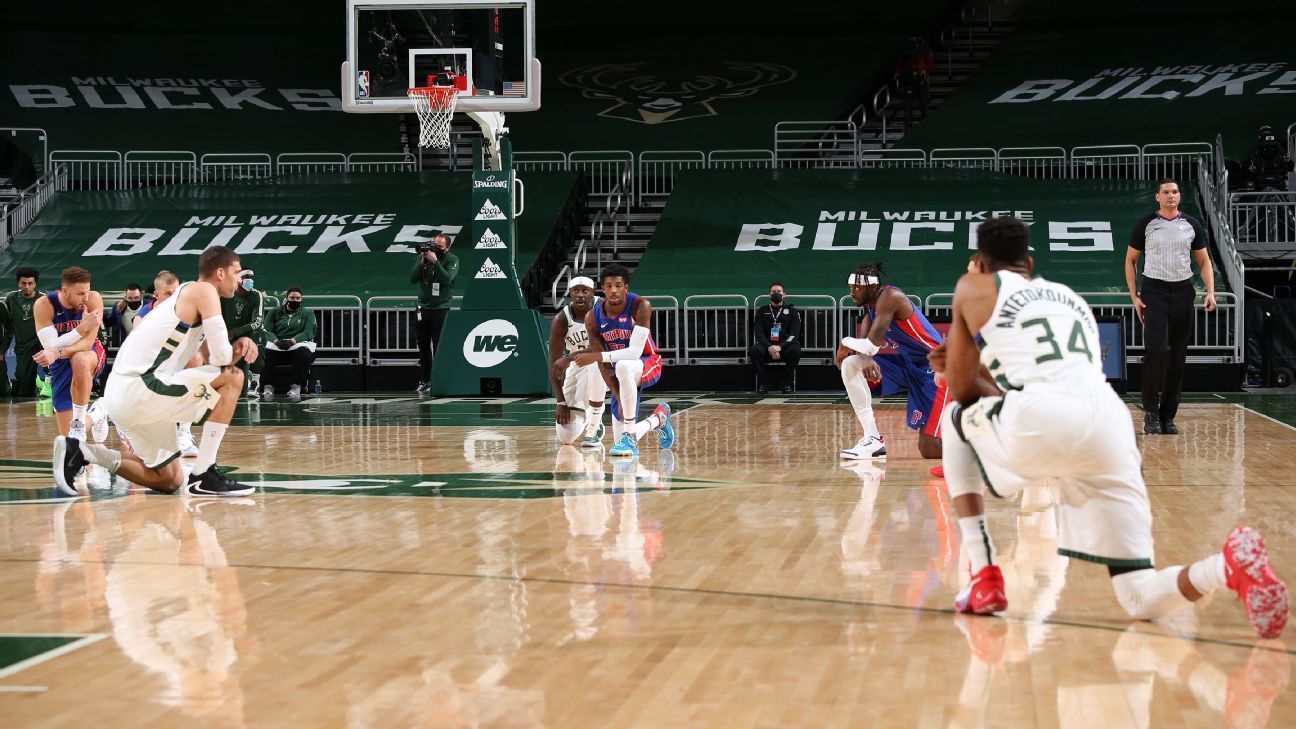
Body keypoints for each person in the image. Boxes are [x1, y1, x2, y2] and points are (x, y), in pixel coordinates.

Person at [931, 216, 1288, 639]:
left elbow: (965, 388)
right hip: (1110, 423)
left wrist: (949, 365)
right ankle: (1224, 567)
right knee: (1138, 596)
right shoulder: (1068, 298)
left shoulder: (974, 285)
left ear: (982, 263)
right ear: (1028, 261)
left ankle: (984, 574)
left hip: (1042, 415)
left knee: (955, 418)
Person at [53, 245, 258, 498]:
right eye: (237, 272)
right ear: (220, 272)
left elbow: (211, 361)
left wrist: (236, 349)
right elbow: (222, 360)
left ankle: (81, 452)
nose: (240, 279)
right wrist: (240, 345)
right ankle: (204, 473)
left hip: (130, 394)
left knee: (170, 480)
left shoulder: (189, 298)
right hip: (140, 385)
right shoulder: (203, 290)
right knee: (234, 377)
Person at [1125, 179, 1216, 435]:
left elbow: (1204, 261)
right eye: (1166, 192)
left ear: (1179, 196)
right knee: (1156, 350)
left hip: (1182, 291)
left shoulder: (1191, 225)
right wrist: (1134, 296)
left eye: (1175, 192)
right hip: (1154, 291)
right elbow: (1130, 261)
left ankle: (1167, 416)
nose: (1171, 196)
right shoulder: (1146, 224)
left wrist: (1210, 292)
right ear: (1157, 197)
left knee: (1177, 358)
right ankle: (1151, 412)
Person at [836, 262, 947, 463]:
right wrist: (864, 358)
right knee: (851, 363)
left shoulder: (890, 297)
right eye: (851, 287)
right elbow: (866, 351)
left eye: (857, 288)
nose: (852, 292)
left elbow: (869, 346)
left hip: (937, 367)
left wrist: (846, 342)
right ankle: (873, 439)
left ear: (871, 287)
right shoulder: (870, 307)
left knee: (929, 449)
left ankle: (982, 450)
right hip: (909, 365)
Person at [570, 264, 674, 458]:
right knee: (620, 443)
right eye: (609, 286)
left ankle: (629, 434)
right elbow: (603, 363)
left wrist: (596, 356)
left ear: (626, 287)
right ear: (603, 289)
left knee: (625, 365)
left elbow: (634, 352)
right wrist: (617, 395)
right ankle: (657, 419)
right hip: (616, 367)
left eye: (618, 285)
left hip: (647, 362)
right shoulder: (592, 317)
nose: (614, 290)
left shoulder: (640, 306)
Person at [31, 267, 106, 442]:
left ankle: (79, 420)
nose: (85, 298)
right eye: (80, 294)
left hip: (89, 353)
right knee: (71, 440)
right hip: (60, 362)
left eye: (86, 292)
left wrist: (58, 352)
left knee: (79, 359)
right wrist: (80, 328)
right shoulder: (44, 305)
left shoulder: (94, 299)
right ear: (65, 291)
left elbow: (87, 343)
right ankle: (97, 414)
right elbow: (49, 346)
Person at [548, 276, 608, 448]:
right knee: (566, 437)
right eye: (576, 291)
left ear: (592, 293)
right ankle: (588, 416)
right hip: (578, 366)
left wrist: (569, 357)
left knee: (596, 361)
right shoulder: (561, 319)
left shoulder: (603, 309)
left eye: (585, 291)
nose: (580, 295)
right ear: (570, 294)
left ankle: (594, 421)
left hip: (609, 362)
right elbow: (553, 363)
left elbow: (603, 348)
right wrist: (560, 402)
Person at [410, 233, 460, 394]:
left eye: (440, 247)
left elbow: (447, 281)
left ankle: (439, 380)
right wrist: (423, 261)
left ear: (447, 247)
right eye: (435, 245)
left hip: (440, 308)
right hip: (423, 308)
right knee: (423, 346)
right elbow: (412, 278)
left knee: (439, 346)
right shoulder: (424, 258)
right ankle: (425, 380)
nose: (435, 249)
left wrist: (436, 262)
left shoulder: (452, 259)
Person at [261, 287, 316, 401]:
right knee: (264, 353)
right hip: (277, 344)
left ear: (301, 299)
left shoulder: (307, 313)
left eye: (298, 298)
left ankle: (296, 386)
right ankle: (268, 386)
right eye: (292, 297)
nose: (295, 300)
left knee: (303, 354)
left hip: (297, 344)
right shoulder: (274, 312)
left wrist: (292, 341)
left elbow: (309, 332)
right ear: (286, 298)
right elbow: (266, 330)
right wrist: (276, 341)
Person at [749, 282, 801, 394]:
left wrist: (780, 347)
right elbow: (758, 333)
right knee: (754, 351)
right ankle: (764, 383)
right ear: (769, 295)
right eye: (774, 292)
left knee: (795, 350)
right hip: (767, 346)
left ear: (784, 295)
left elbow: (794, 334)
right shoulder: (761, 311)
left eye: (779, 292)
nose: (776, 294)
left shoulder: (792, 311)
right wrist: (770, 347)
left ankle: (786, 384)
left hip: (785, 346)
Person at [221, 269, 266, 398]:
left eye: (252, 277)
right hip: (227, 335)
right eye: (246, 277)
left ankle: (255, 379)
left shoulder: (256, 295)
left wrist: (237, 331)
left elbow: (257, 322)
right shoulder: (226, 295)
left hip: (248, 334)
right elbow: (218, 317)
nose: (250, 280)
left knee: (258, 336)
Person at [1, 267, 43, 396]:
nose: (27, 286)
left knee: (51, 372)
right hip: (22, 345)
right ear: (18, 283)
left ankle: (45, 386)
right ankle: (33, 389)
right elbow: (7, 323)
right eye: (23, 283)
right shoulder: (11, 298)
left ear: (35, 283)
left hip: (41, 343)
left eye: (30, 283)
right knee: (22, 377)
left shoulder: (43, 299)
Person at [894, 32, 934, 129]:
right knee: (908, 107)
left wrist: (925, 70)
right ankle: (907, 127)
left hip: (921, 81)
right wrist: (898, 73)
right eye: (910, 37)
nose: (912, 40)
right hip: (908, 81)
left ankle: (925, 126)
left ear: (918, 38)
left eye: (913, 37)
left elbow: (930, 63)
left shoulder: (925, 48)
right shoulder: (903, 49)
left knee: (923, 106)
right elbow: (899, 64)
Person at [1243, 125, 1294, 191]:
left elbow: (1291, 168)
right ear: (1259, 136)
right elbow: (1247, 174)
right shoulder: (1254, 153)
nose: (1266, 136)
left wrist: (1287, 162)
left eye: (1268, 134)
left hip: (1279, 183)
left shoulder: (1281, 151)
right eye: (1264, 134)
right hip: (1260, 184)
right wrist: (1252, 170)